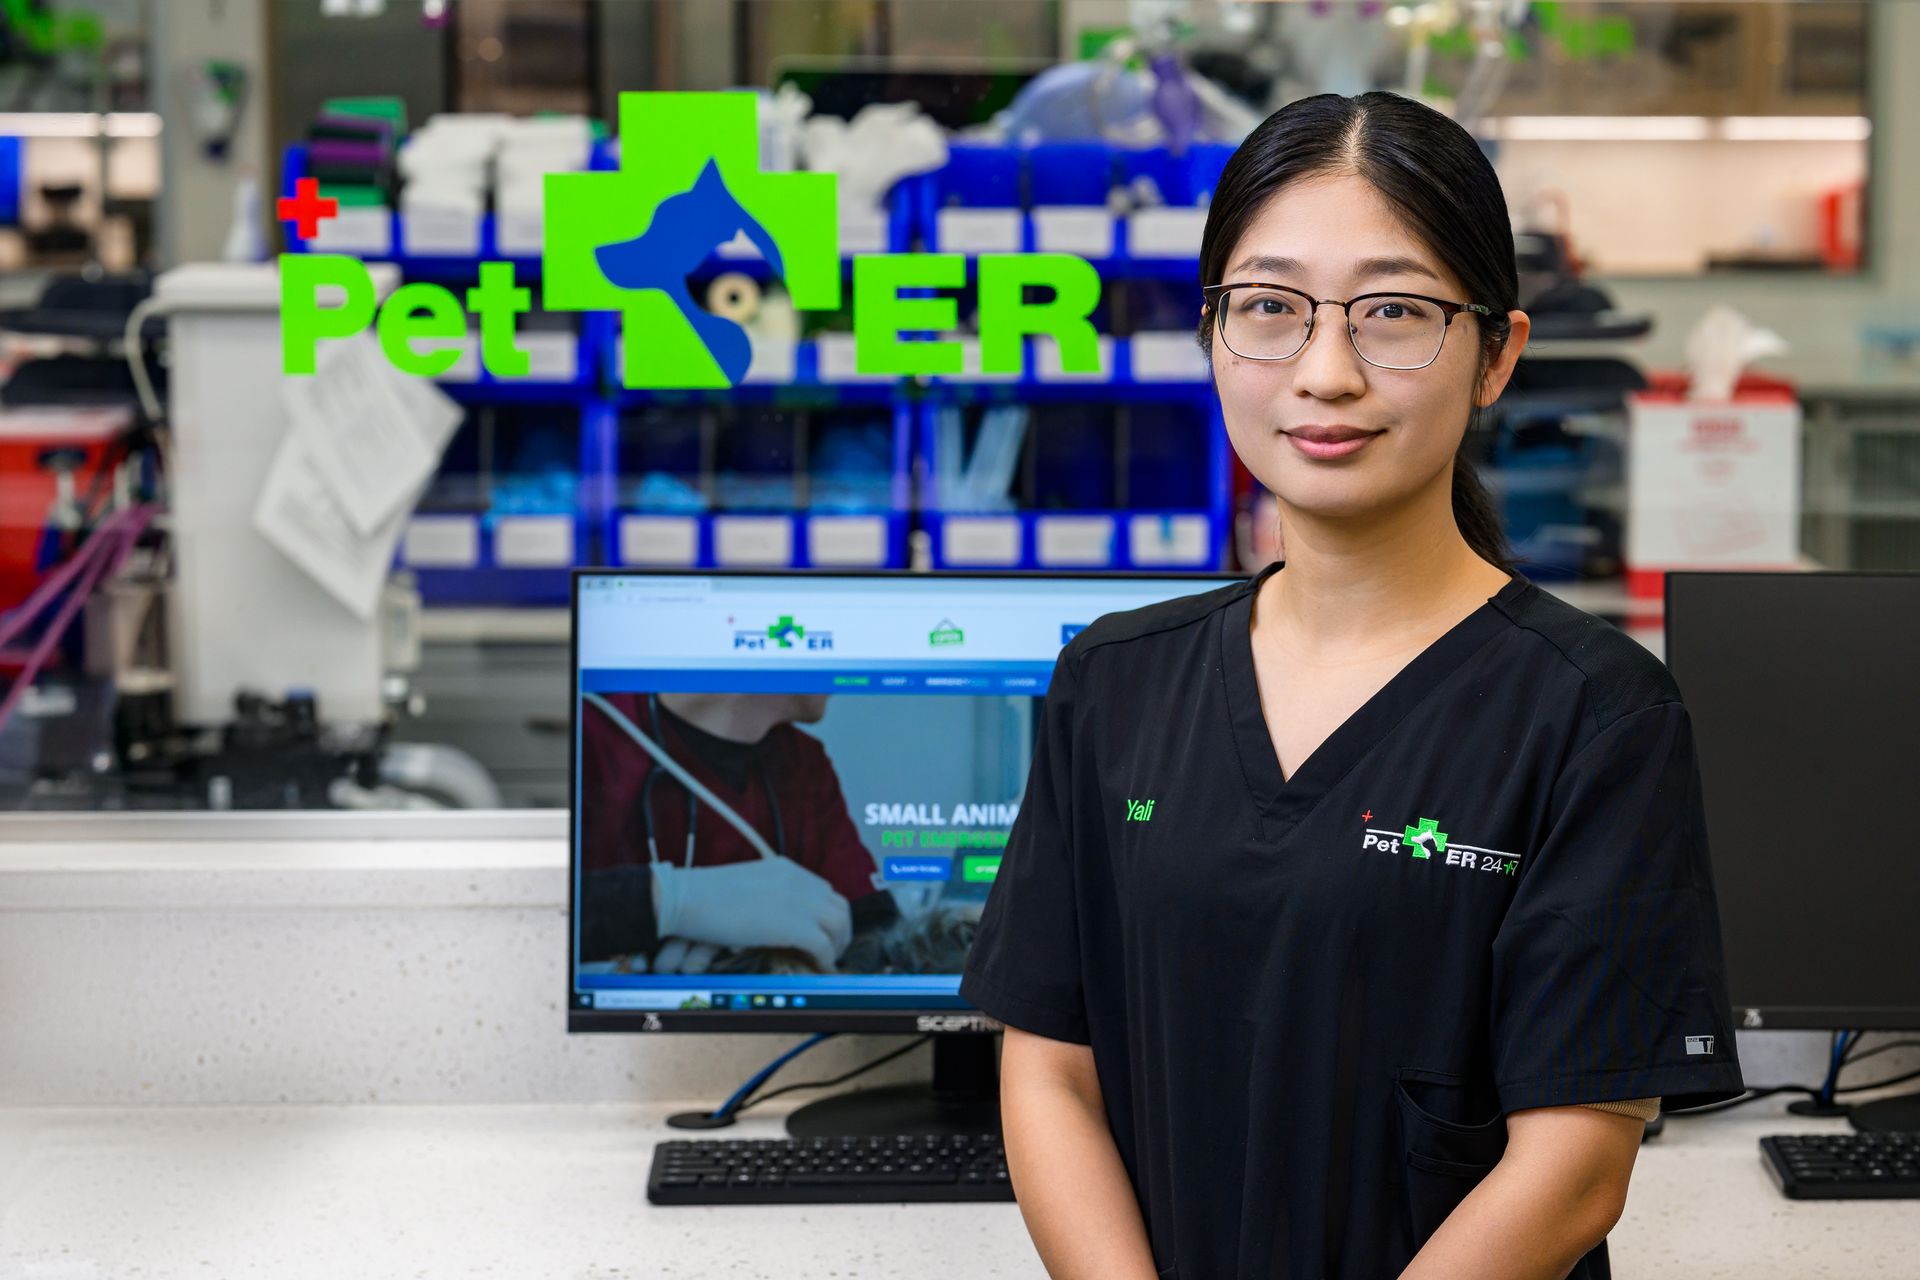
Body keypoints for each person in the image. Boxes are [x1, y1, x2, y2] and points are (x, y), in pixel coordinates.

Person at [959, 91, 1745, 1280]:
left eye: (1392, 313)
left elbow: (1576, 1168)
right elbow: (1050, 1065)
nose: (1325, 372)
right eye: (1270, 308)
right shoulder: (1113, 683)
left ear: (1497, 354)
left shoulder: (1596, 714)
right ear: (1214, 332)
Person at [579, 690, 896, 973]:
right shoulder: (592, 730)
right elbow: (543, 918)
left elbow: (879, 930)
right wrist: (666, 901)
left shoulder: (802, 764)